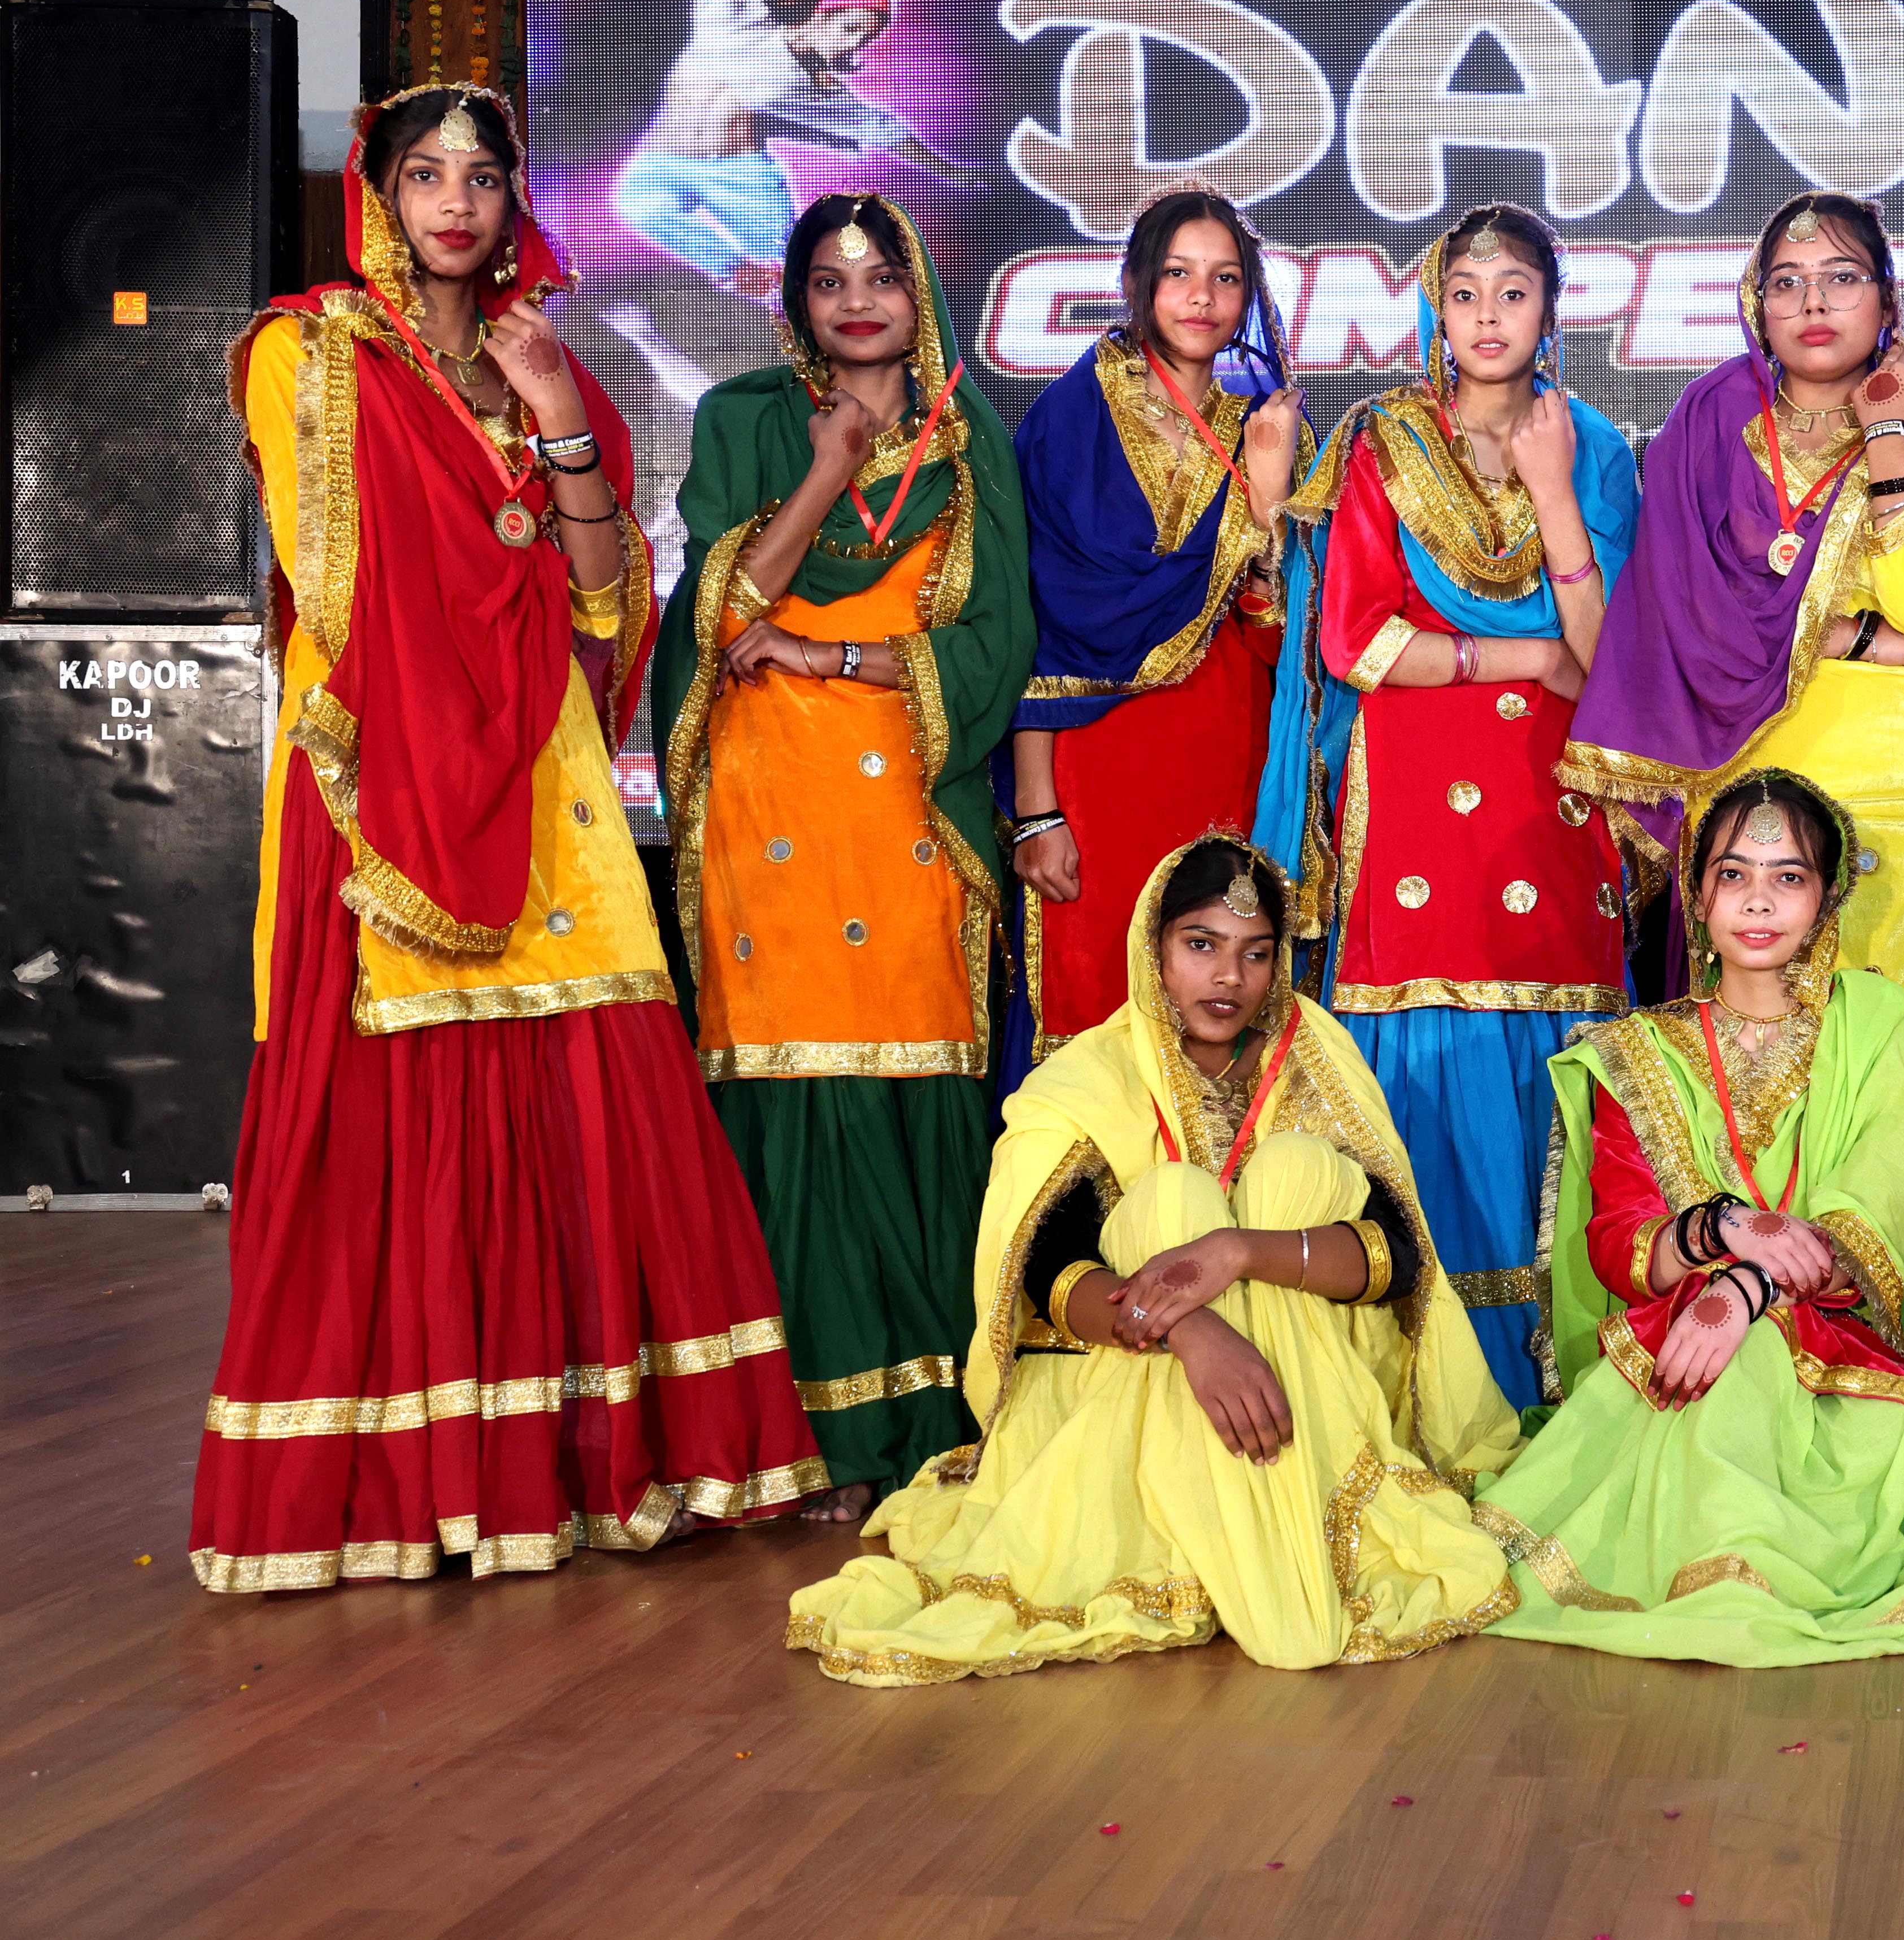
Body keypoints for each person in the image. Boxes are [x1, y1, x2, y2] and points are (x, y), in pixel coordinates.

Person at [194, 84, 826, 1592]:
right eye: (426, 176)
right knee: (385, 1123)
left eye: (482, 179)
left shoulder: (547, 360)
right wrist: (491, 599)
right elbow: (340, 578)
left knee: (591, 1094)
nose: (456, 204)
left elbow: (604, 601)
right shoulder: (313, 352)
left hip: (546, 782)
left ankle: (576, 1476)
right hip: (383, 783)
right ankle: (396, 1492)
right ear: (380, 197)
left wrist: (558, 426)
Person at [785, 834, 1524, 1681]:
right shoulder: (1092, 1075)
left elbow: (1396, 1254)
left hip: (1307, 1374)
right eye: (1202, 945)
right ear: (1155, 950)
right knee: (1172, 1198)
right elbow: (1045, 1270)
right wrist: (1192, 1330)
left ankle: (1273, 1546)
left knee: (1292, 1170)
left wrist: (1237, 1252)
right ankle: (1273, 1563)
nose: (1229, 977)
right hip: (1133, 1365)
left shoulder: (1313, 1059)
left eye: (1255, 954)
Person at [655, 192, 1035, 1521]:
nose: (859, 301)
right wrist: (825, 468)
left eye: (882, 277)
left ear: (919, 290)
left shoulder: (972, 444)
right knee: (792, 1088)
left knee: (911, 1082)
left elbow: (997, 644)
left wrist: (836, 656)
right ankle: (797, 1434)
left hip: (907, 815)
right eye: (830, 280)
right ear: (798, 300)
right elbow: (717, 614)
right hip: (767, 812)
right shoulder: (746, 418)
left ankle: (926, 1418)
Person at [1475, 771, 1904, 1663]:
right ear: (1697, 894)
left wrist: (1747, 1290)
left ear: (1828, 898)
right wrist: (1723, 1228)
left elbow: (1875, 1221)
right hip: (1683, 1351)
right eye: (1734, 875)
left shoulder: (1894, 1033)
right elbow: (1619, 1244)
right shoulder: (1639, 1050)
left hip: (1845, 1362)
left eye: (1788, 877)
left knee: (1754, 1354)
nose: (1759, 902)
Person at [1256, 204, 1641, 1401]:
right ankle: (1430, 1385)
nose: (1487, 316)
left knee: (1550, 1050)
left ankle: (1565, 1388)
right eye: (1464, 293)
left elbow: (1611, 654)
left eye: (1512, 292)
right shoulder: (1381, 440)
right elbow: (1359, 641)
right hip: (1416, 809)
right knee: (1424, 1053)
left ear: (1550, 310)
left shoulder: (1594, 447)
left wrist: (1555, 495)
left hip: (1553, 804)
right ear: (1435, 308)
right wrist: (1525, 658)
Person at [1561, 193, 1904, 1016]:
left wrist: (1888, 432)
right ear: (1758, 307)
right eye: (1787, 283)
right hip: (1747, 771)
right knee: (1757, 1053)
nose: (1814, 303)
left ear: (1889, 304)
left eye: (1842, 278)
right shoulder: (1711, 421)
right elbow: (1678, 616)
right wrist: (1858, 638)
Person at [1003, 183, 1309, 1083]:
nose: (1202, 298)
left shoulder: (1262, 425)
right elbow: (1037, 624)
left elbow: (1279, 634)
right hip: (1096, 769)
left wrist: (1269, 497)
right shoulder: (1072, 418)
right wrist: (1036, 809)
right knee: (1096, 997)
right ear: (1136, 281)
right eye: (1178, 274)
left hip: (1227, 761)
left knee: (1220, 1001)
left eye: (1225, 278)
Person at [612, 0, 973, 299]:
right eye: (850, 28)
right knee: (641, 205)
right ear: (821, 14)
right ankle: (733, 269)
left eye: (865, 39)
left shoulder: (815, 87)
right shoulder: (743, 18)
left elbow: (886, 132)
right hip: (662, 164)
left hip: (740, 179)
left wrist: (959, 174)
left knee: (788, 274)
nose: (853, 45)